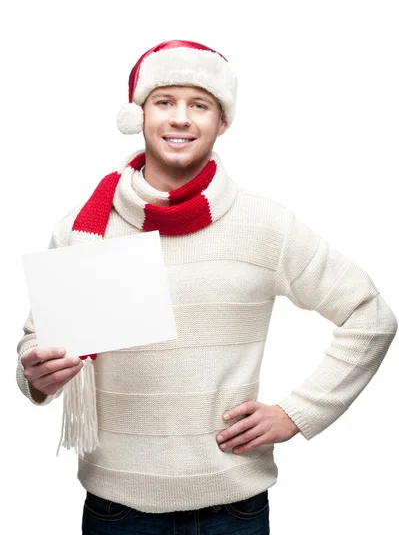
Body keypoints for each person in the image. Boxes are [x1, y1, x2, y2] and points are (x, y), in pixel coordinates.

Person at [16, 39, 397, 535]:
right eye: (164, 102)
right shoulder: (82, 229)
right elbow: (35, 344)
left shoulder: (266, 226)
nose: (180, 118)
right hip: (116, 508)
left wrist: (299, 413)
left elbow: (370, 316)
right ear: (139, 116)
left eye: (199, 105)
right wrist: (36, 376)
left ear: (223, 122)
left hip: (232, 508)